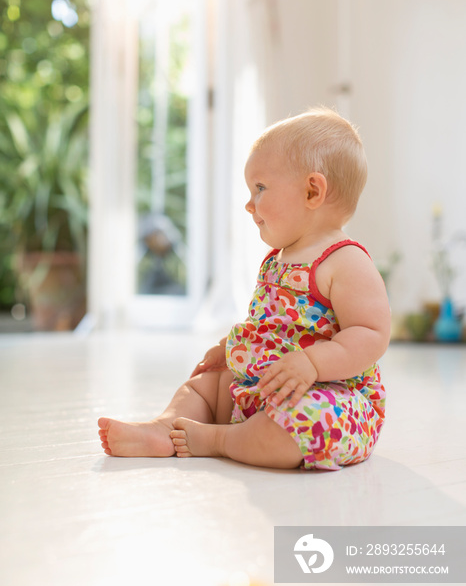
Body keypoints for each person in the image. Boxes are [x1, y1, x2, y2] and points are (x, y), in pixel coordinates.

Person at [98, 107, 391, 471]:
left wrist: (313, 363)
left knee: (305, 421)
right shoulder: (277, 259)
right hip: (262, 388)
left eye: (261, 188)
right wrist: (230, 348)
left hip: (330, 395)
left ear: (313, 191)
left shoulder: (345, 261)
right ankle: (165, 428)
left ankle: (219, 440)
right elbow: (267, 324)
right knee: (205, 386)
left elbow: (371, 333)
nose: (249, 203)